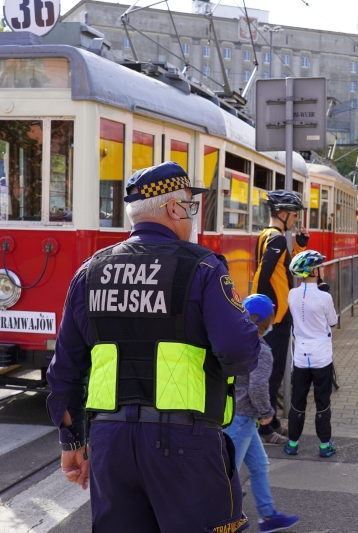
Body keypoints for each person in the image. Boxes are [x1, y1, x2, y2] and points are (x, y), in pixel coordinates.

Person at [46, 161, 261, 532]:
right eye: (190, 206)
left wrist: (72, 442)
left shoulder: (89, 272)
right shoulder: (203, 268)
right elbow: (239, 352)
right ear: (174, 208)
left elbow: (64, 368)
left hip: (110, 443)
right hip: (186, 444)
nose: (191, 216)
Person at [223, 294, 300, 532]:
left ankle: (268, 516)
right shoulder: (262, 350)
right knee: (226, 474)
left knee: (258, 466)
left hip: (235, 413)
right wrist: (267, 411)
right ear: (267, 320)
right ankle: (222, 520)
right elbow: (257, 386)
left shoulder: (235, 342)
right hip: (243, 417)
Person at [251, 190, 310, 444]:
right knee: (272, 372)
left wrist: (301, 244)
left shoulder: (266, 235)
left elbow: (287, 267)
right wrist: (263, 312)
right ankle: (265, 428)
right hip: (277, 316)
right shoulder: (275, 240)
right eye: (294, 215)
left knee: (270, 370)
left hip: (274, 314)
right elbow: (263, 275)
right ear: (283, 214)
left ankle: (271, 421)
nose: (296, 220)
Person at [283, 250, 339, 458]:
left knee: (298, 400)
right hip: (322, 356)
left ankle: (292, 443)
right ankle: (325, 445)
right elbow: (332, 322)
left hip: (301, 355)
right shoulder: (324, 297)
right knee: (322, 401)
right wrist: (325, 294)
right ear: (314, 270)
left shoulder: (291, 294)